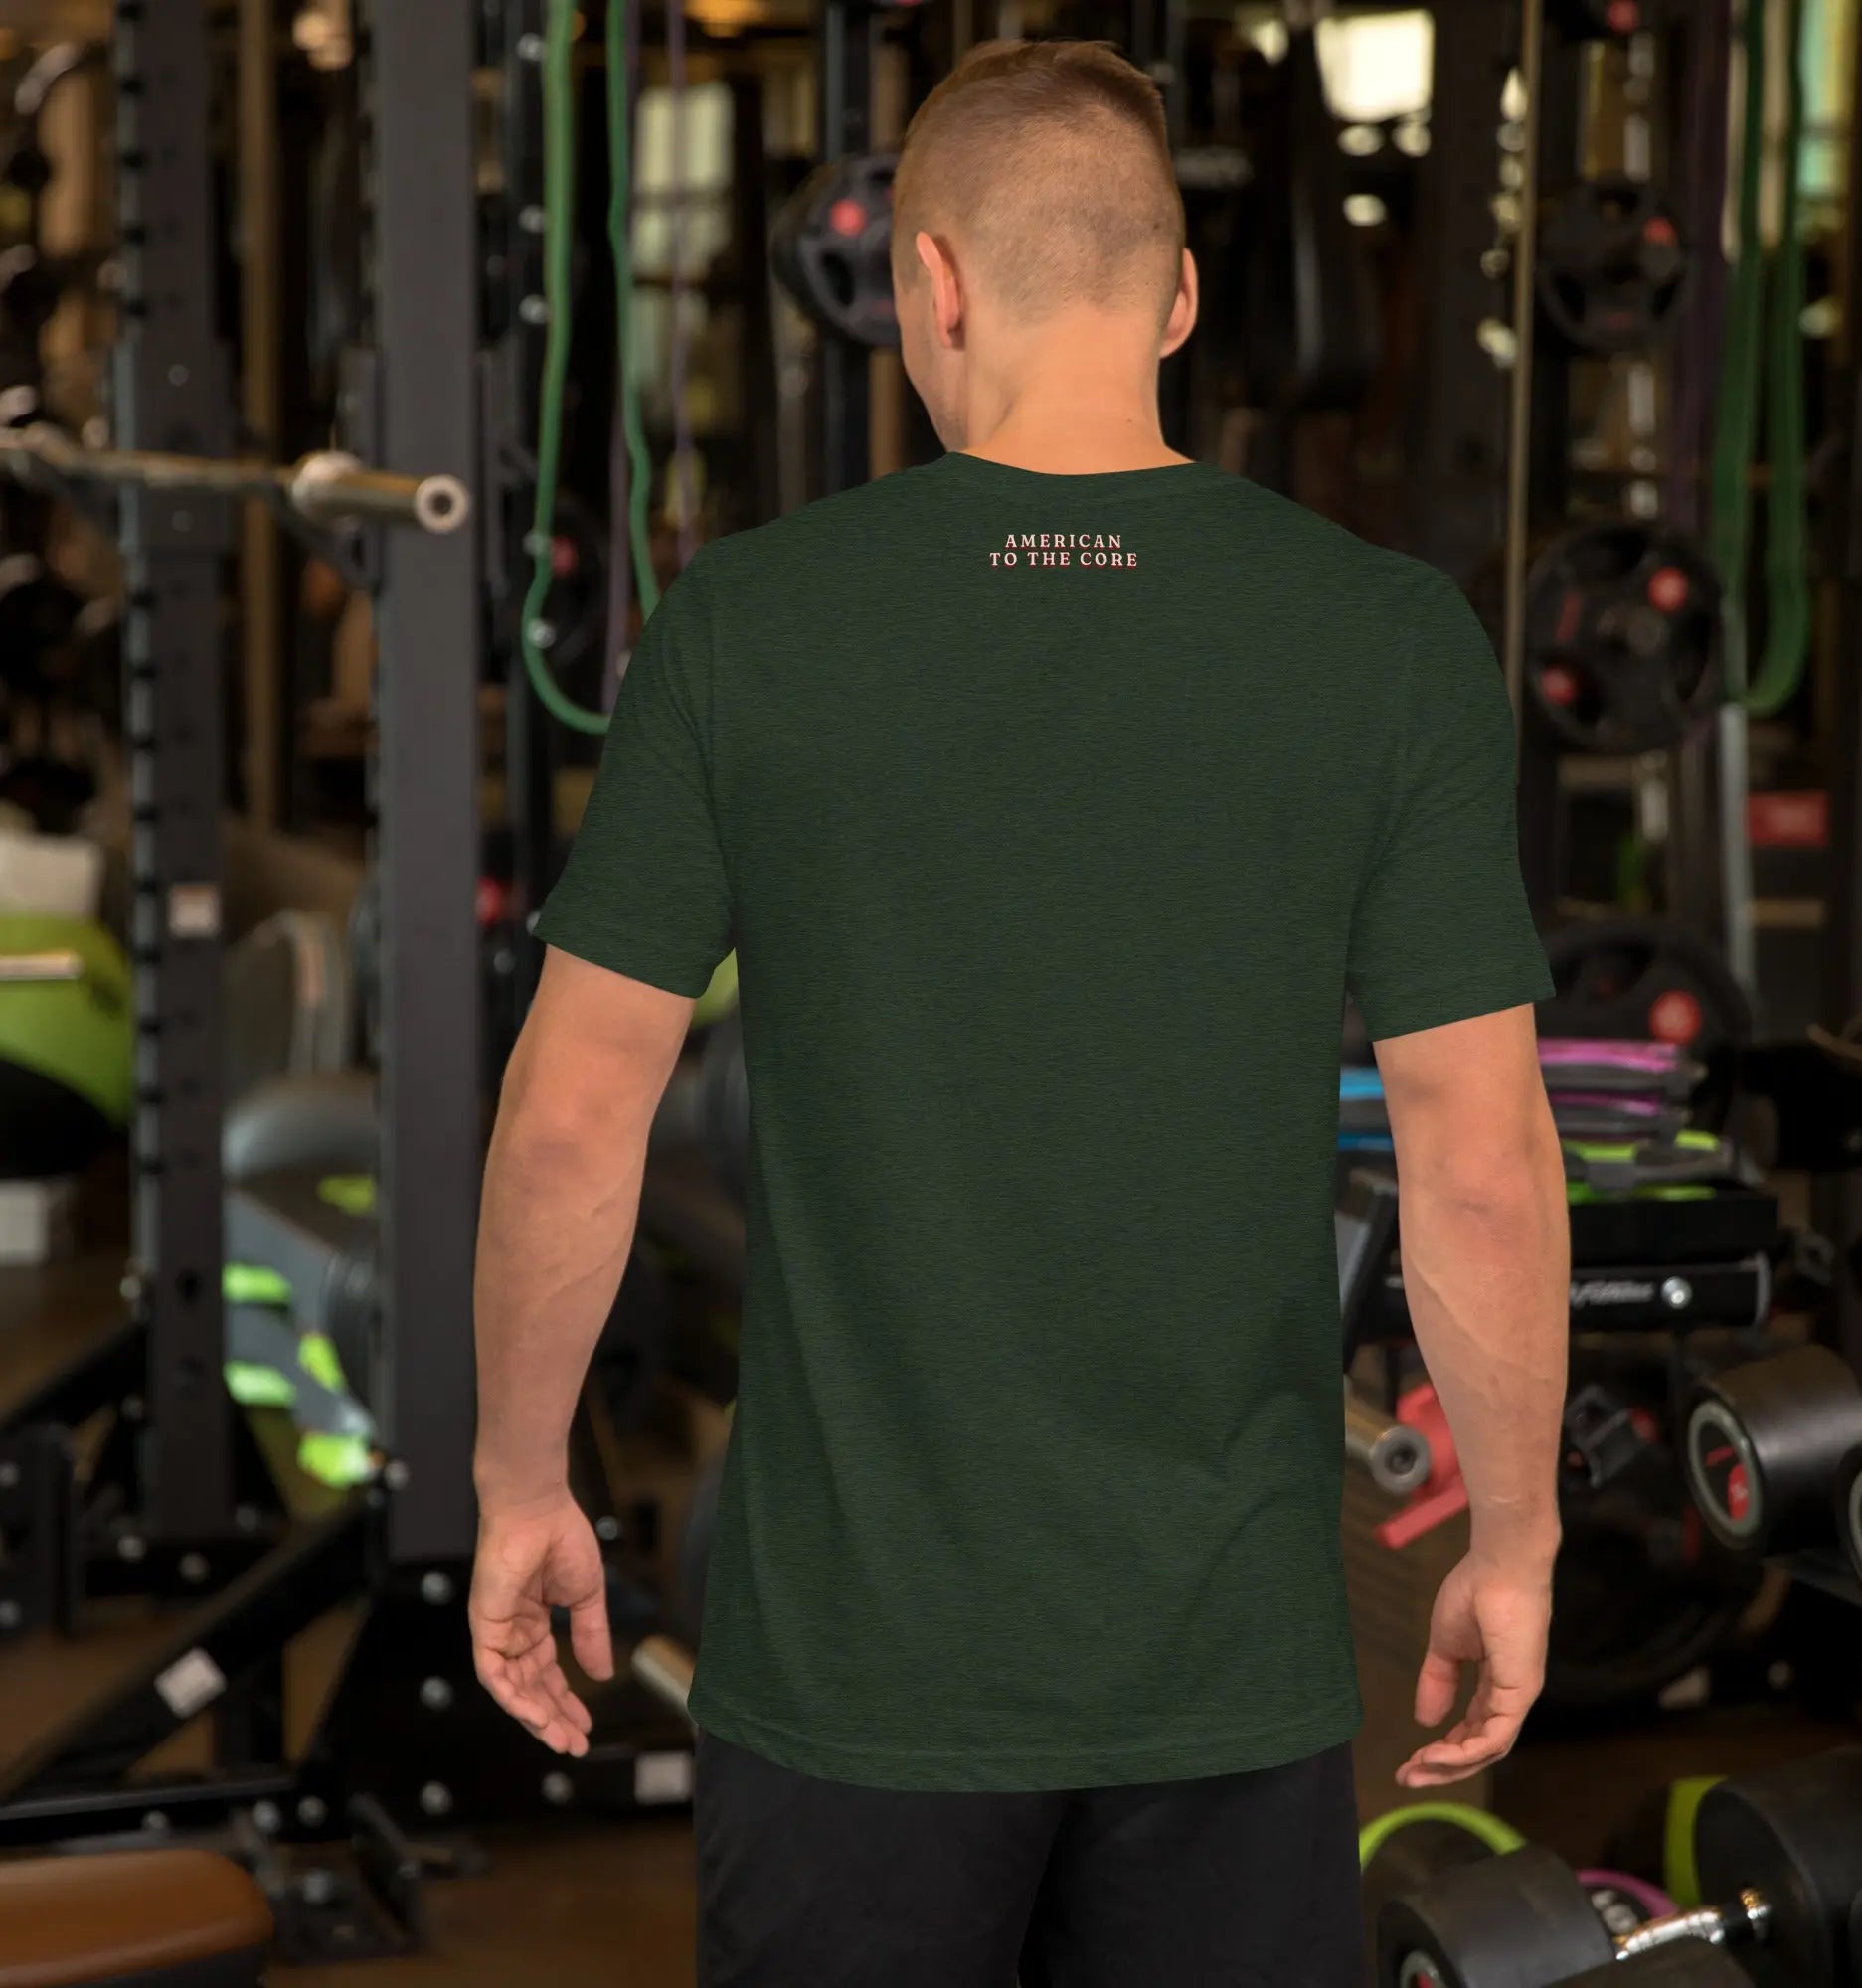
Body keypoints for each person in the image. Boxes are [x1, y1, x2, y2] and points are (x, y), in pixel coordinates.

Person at [470, 38, 1569, 1988]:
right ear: (1182, 297)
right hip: (1224, 1668)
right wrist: (1519, 1537)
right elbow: (1474, 1156)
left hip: (854, 1675)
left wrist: (519, 1483)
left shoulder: (750, 621)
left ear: (931, 282)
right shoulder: (1386, 639)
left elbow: (570, 1120)